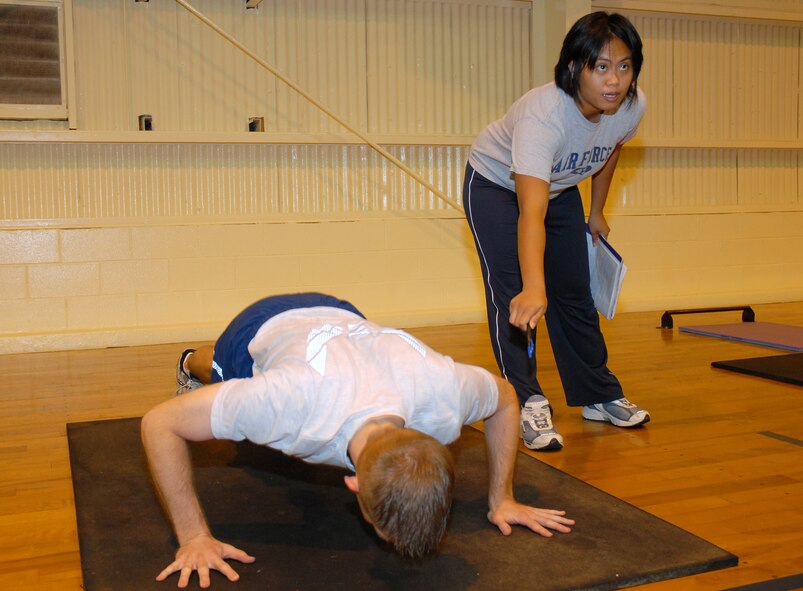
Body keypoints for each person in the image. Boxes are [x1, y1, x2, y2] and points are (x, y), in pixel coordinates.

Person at [143, 292, 574, 588]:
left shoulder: (442, 394)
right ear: (352, 486)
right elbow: (160, 423)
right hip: (261, 324)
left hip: (344, 316)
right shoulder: (288, 403)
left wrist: (503, 498)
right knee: (216, 374)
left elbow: (504, 397)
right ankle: (191, 360)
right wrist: (194, 536)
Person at [463, 11, 650, 452]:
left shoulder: (631, 106)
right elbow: (531, 212)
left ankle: (597, 394)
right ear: (573, 67)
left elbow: (609, 150)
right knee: (516, 295)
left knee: (573, 291)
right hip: (497, 186)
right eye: (601, 67)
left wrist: (598, 210)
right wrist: (532, 287)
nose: (615, 80)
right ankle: (525, 401)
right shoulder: (543, 117)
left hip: (560, 187)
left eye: (624, 66)